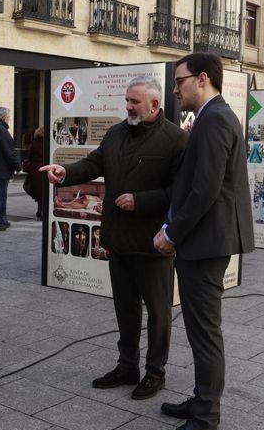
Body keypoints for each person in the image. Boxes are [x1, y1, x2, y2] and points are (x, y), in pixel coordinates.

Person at [41, 75, 188, 401]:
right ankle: (127, 366)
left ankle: (155, 372)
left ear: (154, 104)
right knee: (126, 308)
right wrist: (64, 172)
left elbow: (181, 191)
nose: (128, 106)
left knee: (159, 312)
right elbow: (93, 164)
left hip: (154, 242)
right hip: (118, 238)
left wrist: (142, 200)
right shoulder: (116, 133)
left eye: (135, 101)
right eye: (127, 100)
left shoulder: (175, 139)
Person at [152, 53, 254, 430]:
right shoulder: (215, 117)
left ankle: (205, 421)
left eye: (180, 81)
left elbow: (205, 191)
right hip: (209, 239)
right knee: (200, 329)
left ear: (203, 79)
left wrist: (171, 234)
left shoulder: (214, 120)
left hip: (205, 242)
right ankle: (201, 402)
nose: (175, 89)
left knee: (204, 333)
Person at [26, 127, 46, 220]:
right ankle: (42, 211)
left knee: (38, 191)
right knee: (44, 191)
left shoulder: (33, 143)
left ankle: (39, 210)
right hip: (45, 168)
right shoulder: (47, 143)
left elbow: (29, 157)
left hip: (35, 169)